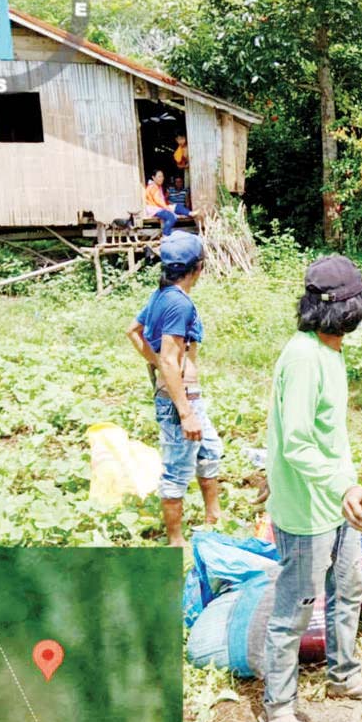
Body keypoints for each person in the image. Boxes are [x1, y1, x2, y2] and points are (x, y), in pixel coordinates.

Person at [262, 255, 362, 722]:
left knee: (348, 589)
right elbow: (296, 442)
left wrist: (346, 485)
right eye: (359, 299)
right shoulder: (302, 357)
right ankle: (279, 708)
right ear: (343, 309)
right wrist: (340, 486)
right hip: (307, 507)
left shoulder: (329, 350)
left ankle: (345, 675)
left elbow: (322, 433)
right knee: (295, 607)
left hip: (338, 497)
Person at [125, 231, 222, 546]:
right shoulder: (177, 303)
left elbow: (133, 332)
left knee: (209, 452)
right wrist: (185, 412)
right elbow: (169, 359)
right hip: (180, 400)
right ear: (198, 268)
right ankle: (176, 542)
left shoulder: (162, 296)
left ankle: (213, 519)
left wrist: (155, 362)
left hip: (188, 395)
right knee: (176, 470)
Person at [145, 168, 191, 236]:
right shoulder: (153, 187)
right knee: (172, 217)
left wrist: (168, 207)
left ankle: (190, 213)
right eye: (159, 176)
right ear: (153, 177)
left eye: (162, 176)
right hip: (155, 209)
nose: (162, 178)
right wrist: (168, 208)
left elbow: (162, 201)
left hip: (160, 208)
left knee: (177, 207)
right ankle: (165, 234)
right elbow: (159, 201)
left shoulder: (158, 186)